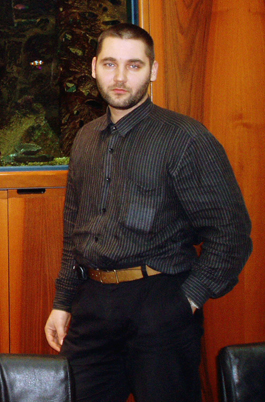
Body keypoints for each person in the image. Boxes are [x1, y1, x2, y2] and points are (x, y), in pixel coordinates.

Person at [44, 23, 252, 402]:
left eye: (134, 65)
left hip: (160, 305)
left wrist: (187, 300)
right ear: (93, 67)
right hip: (92, 305)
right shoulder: (85, 138)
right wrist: (63, 302)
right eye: (110, 64)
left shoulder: (186, 139)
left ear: (153, 71)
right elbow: (75, 227)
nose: (120, 77)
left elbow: (231, 234)